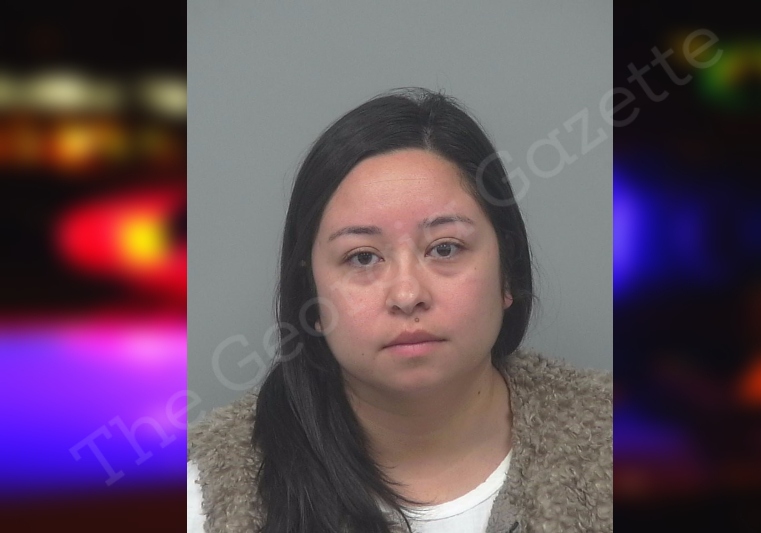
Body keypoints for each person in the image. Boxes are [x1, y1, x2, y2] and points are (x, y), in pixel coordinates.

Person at [187, 88, 612, 533]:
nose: (407, 295)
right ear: (310, 296)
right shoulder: (206, 499)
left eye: (445, 248)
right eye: (362, 257)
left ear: (507, 273)